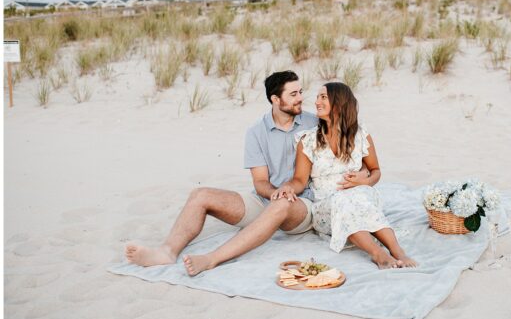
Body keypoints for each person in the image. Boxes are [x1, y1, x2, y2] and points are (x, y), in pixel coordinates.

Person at [123, 71, 317, 275]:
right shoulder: (256, 132)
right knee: (201, 195)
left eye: (300, 92)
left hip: (299, 205)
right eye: (293, 94)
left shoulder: (314, 123)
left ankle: (211, 259)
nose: (300, 98)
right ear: (275, 99)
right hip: (266, 201)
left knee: (282, 203)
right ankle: (166, 252)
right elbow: (260, 181)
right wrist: (273, 193)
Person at [273, 82, 417, 269]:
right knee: (344, 199)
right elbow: (300, 180)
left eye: (323, 97)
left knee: (357, 196)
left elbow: (375, 171)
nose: (317, 101)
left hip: (360, 196)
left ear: (339, 102)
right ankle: (378, 253)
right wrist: (288, 187)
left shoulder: (360, 135)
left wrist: (364, 181)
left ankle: (398, 252)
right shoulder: (307, 140)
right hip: (327, 207)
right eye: (317, 97)